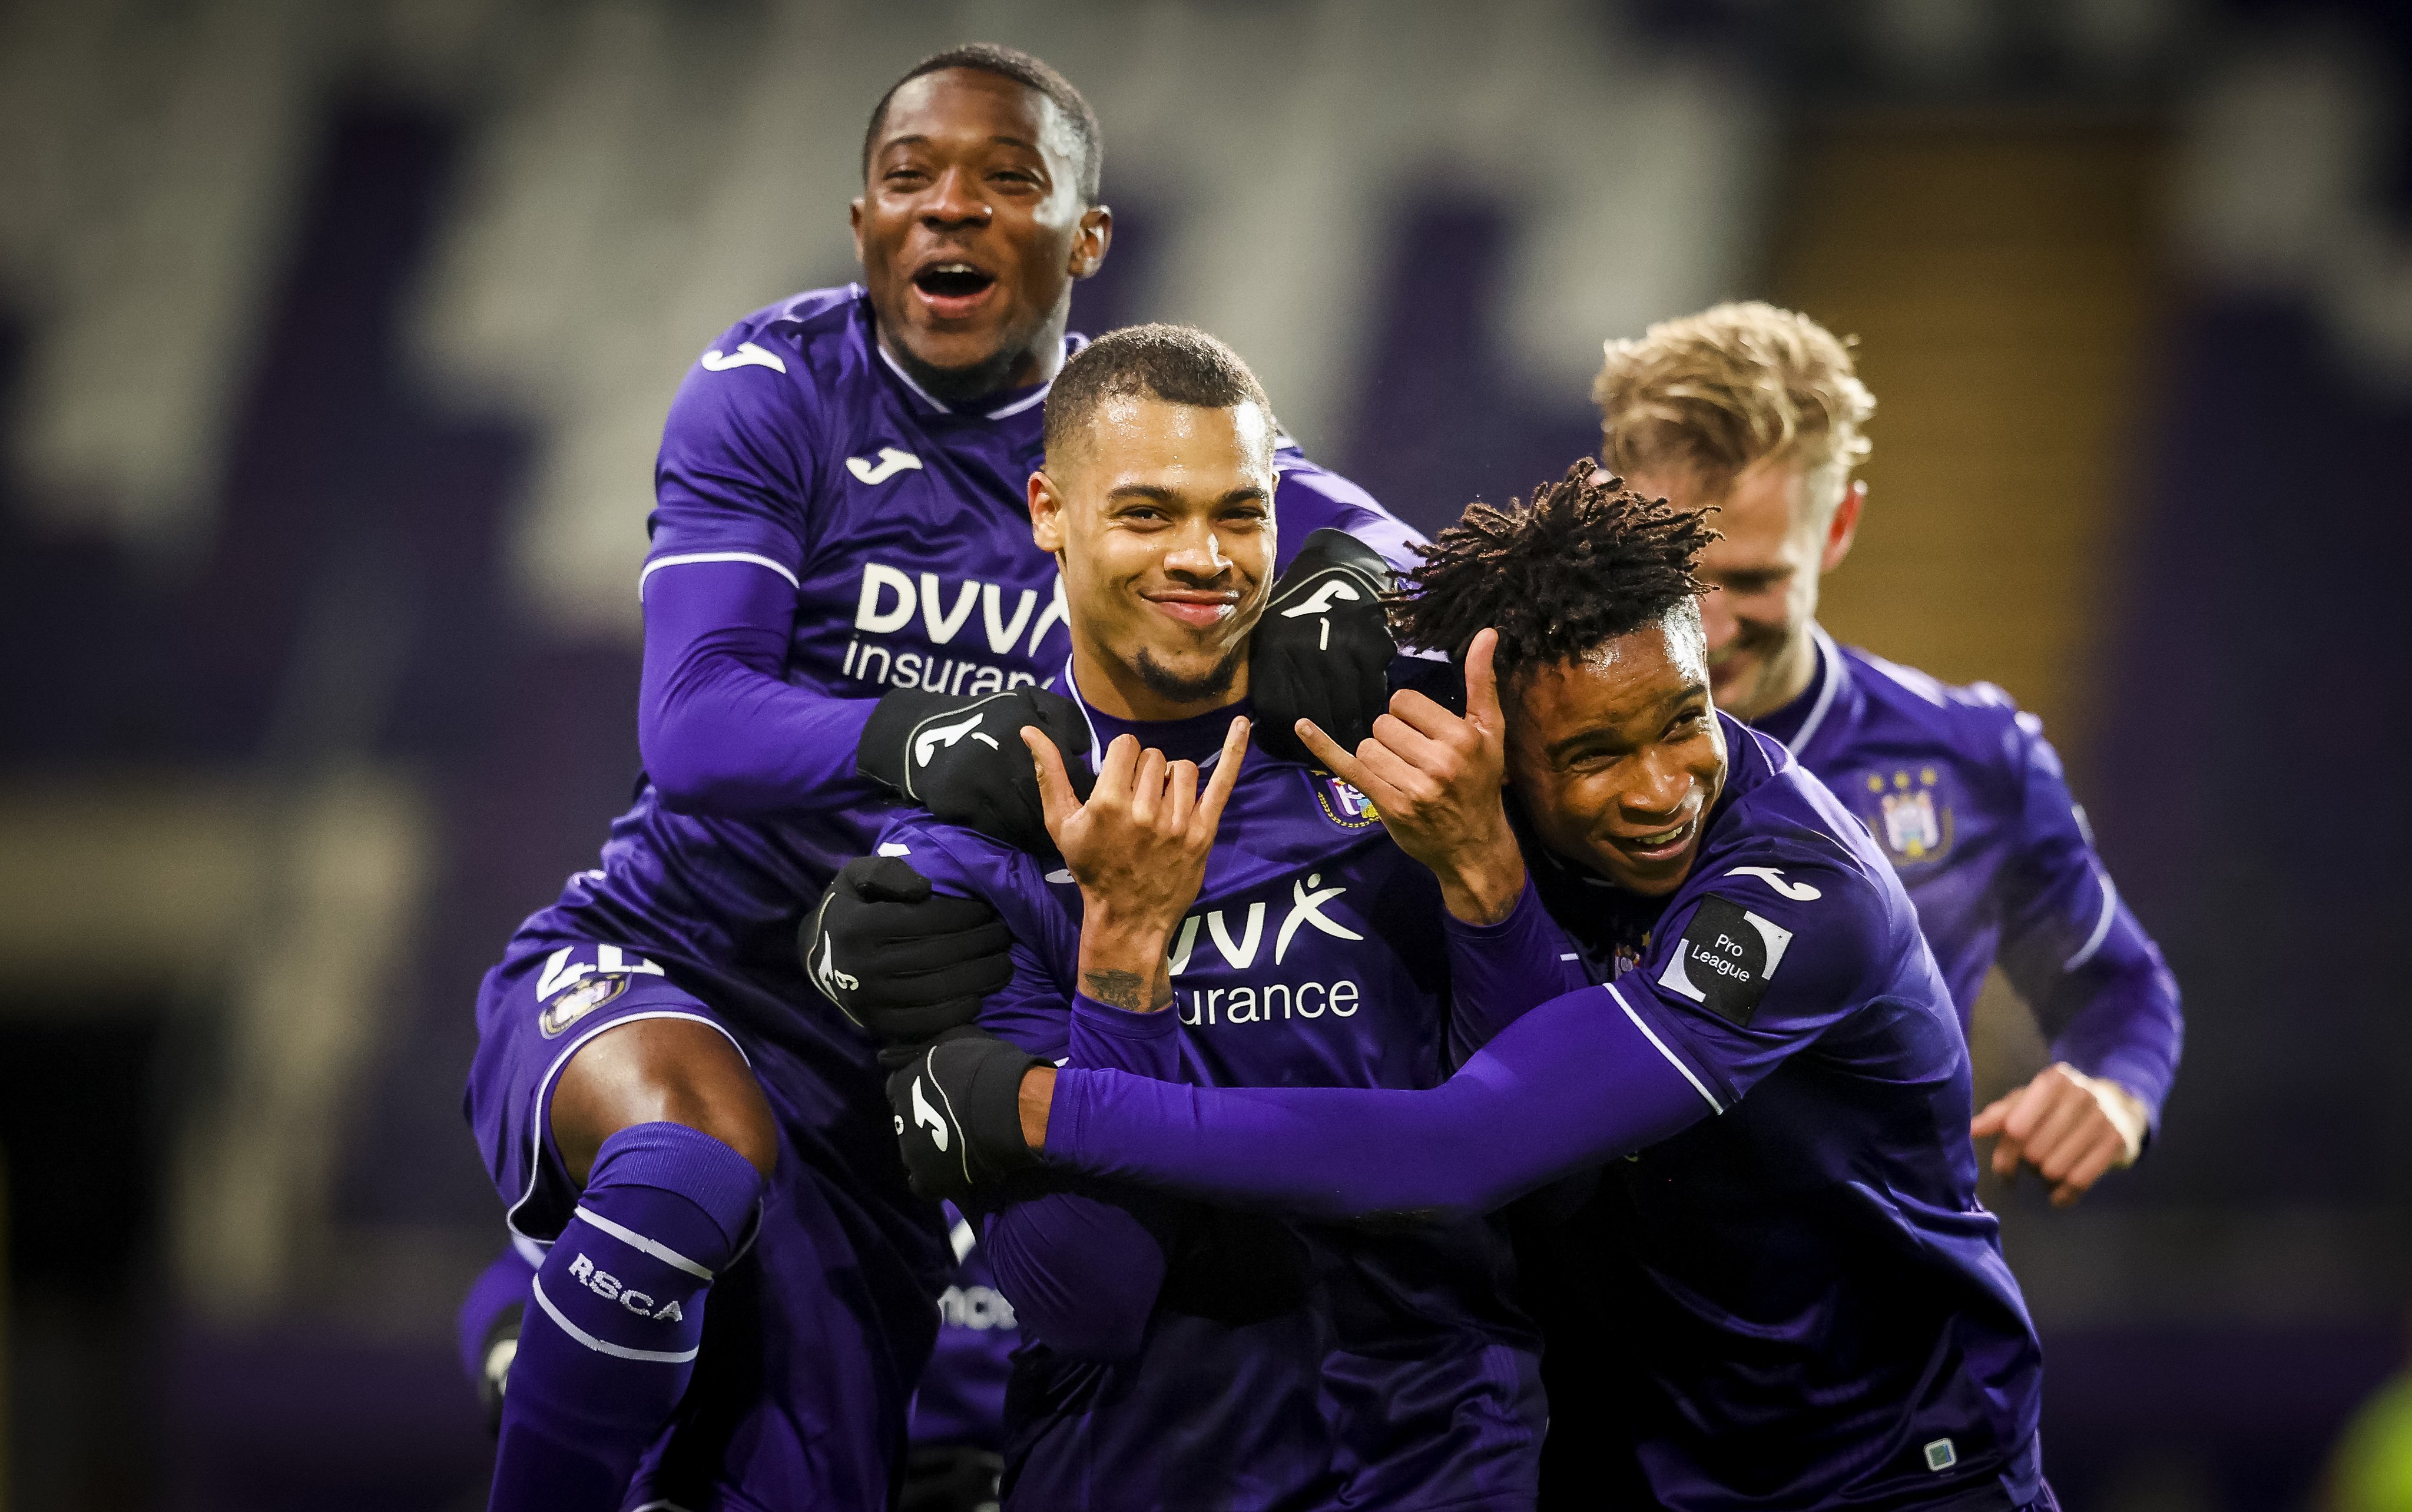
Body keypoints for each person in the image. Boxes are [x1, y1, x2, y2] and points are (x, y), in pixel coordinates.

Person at [459, 44, 1419, 1512]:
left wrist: (1362, 591)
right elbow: (695, 722)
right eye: (910, 178)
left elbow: (1393, 559)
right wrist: (919, 736)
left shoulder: (1133, 445)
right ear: (861, 225)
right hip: (687, 962)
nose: (950, 209)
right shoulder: (773, 389)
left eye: (1007, 180)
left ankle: (581, 1343)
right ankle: (555, 1325)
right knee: (686, 1173)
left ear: (1086, 237)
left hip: (913, 1049)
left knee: (838, 1472)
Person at [892, 466, 2059, 1511]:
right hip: (1628, 1459)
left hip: (1889, 1471)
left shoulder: (1802, 896)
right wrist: (944, 810)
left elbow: (1458, 1154)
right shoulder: (1467, 765)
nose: (1662, 789)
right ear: (1493, 738)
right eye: (1596, 755)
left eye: (1684, 722)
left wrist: (1038, 1106)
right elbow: (1202, 564)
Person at [855, 324, 1555, 1510]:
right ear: (1047, 511)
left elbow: (1550, 1140)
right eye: (1145, 514)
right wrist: (1122, 950)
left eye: (1239, 514)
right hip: (1138, 1474)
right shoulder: (961, 859)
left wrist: (1488, 877)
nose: (1203, 558)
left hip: (1448, 1458)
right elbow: (1081, 1300)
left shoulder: (1402, 743)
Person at [1592, 302, 2182, 1202]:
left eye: (1754, 579)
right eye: (1672, 570)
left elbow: (2120, 989)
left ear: (1837, 529)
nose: (1706, 628)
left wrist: (2115, 1090)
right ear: (1608, 512)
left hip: (1872, 1324)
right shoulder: (1527, 750)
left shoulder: (1972, 761)